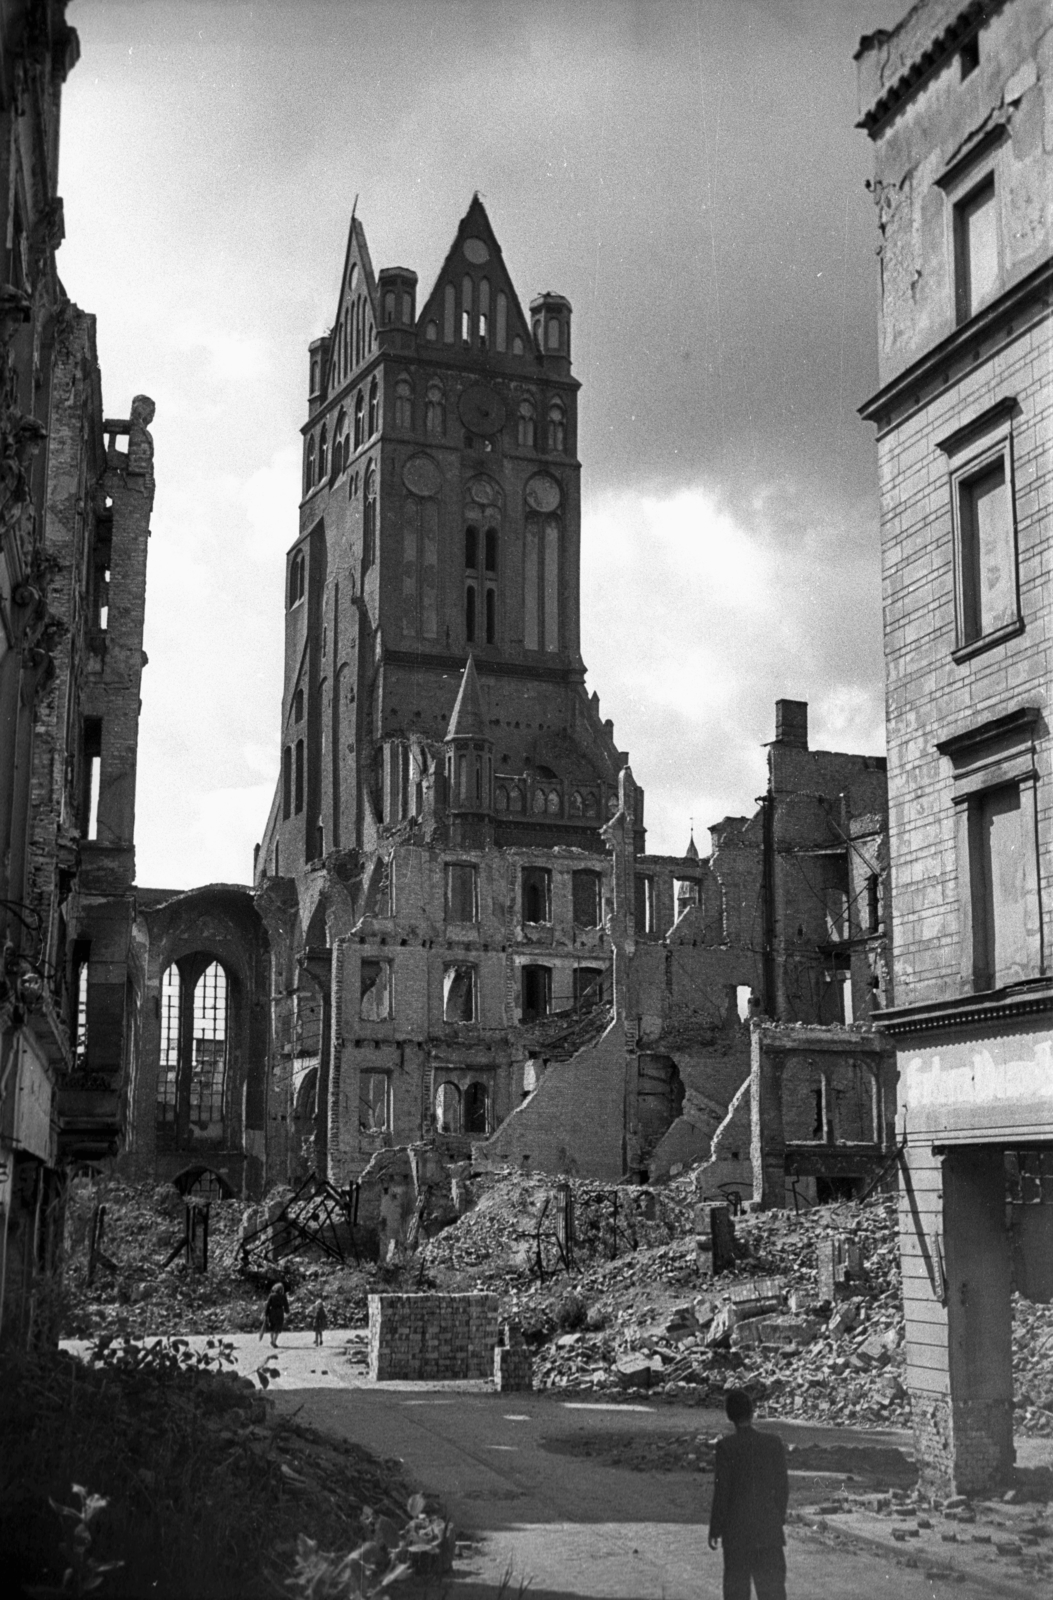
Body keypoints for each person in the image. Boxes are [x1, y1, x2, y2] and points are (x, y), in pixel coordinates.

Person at [708, 1387, 789, 1600]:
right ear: (752, 1412)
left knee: (736, 1593)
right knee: (773, 1593)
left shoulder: (726, 1447)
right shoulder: (773, 1443)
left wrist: (715, 1527)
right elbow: (782, 1487)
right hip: (768, 1531)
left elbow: (722, 1491)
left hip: (736, 1535)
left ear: (729, 1416)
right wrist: (776, 1517)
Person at [259, 1278, 290, 1349]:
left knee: (272, 1327)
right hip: (279, 1312)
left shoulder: (271, 1296)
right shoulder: (283, 1296)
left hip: (272, 1312)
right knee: (278, 1327)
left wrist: (266, 1314)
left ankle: (271, 1339)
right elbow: (286, 1305)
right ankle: (274, 1341)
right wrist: (287, 1312)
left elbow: (267, 1305)